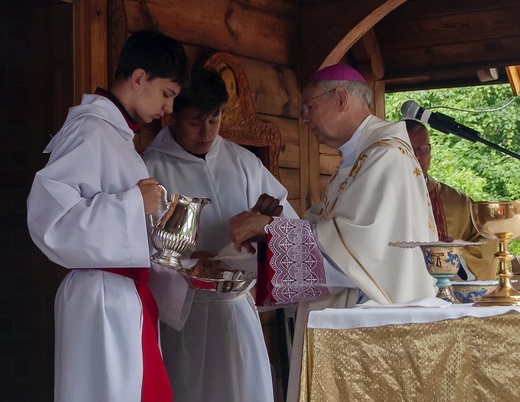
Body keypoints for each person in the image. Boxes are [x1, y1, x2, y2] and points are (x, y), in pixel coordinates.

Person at [228, 62, 438, 401]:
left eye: (310, 107)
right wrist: (274, 229)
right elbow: (334, 234)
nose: (305, 118)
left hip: (373, 323)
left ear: (341, 97)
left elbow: (356, 252)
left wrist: (270, 229)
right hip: (351, 317)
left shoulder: (385, 157)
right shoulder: (361, 158)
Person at [26, 30, 191, 402]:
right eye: (167, 94)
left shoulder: (120, 139)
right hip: (99, 300)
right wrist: (133, 204)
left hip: (122, 297)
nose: (168, 110)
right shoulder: (89, 130)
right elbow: (50, 219)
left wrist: (176, 256)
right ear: (138, 77)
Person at [142, 68, 299, 402]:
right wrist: (185, 263)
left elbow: (290, 227)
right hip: (186, 314)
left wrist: (265, 223)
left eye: (214, 120)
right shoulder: (151, 168)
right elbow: (138, 244)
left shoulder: (244, 163)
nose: (206, 132)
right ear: (172, 117)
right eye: (195, 121)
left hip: (236, 307)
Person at [404, 118, 497, 281]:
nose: (417, 157)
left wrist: (457, 250)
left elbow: (487, 239)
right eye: (409, 150)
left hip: (449, 294)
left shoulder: (458, 201)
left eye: (423, 149)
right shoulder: (379, 197)